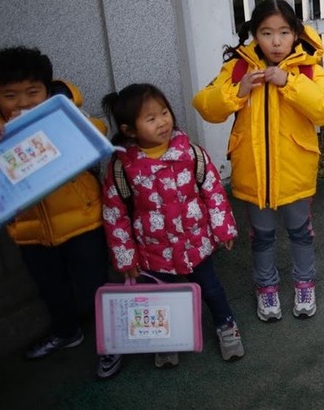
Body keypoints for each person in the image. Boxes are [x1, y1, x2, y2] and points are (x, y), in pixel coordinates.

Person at [0, 47, 122, 379]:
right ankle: (67, 332)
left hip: (84, 222)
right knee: (51, 288)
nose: (24, 102)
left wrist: (67, 118)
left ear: (47, 89)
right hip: (29, 231)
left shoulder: (65, 115)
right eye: (10, 95)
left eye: (33, 92)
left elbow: (97, 130)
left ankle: (111, 342)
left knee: (95, 287)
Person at [192, 0, 324, 321]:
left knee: (301, 232)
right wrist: (237, 90)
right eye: (266, 32)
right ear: (254, 35)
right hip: (253, 174)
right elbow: (204, 105)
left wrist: (289, 82)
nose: (276, 41)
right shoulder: (239, 67)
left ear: (296, 33)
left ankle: (304, 282)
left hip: (296, 172)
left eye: (284, 32)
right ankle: (266, 288)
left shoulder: (307, 68)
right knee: (261, 236)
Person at [101, 83, 243, 368]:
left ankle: (226, 325)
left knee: (211, 289)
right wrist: (126, 257)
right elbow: (115, 215)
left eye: (164, 113)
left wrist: (223, 228)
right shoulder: (122, 167)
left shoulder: (190, 153)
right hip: (153, 251)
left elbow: (213, 191)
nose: (162, 122)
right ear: (130, 130)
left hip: (195, 244)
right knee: (158, 298)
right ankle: (165, 339)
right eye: (151, 118)